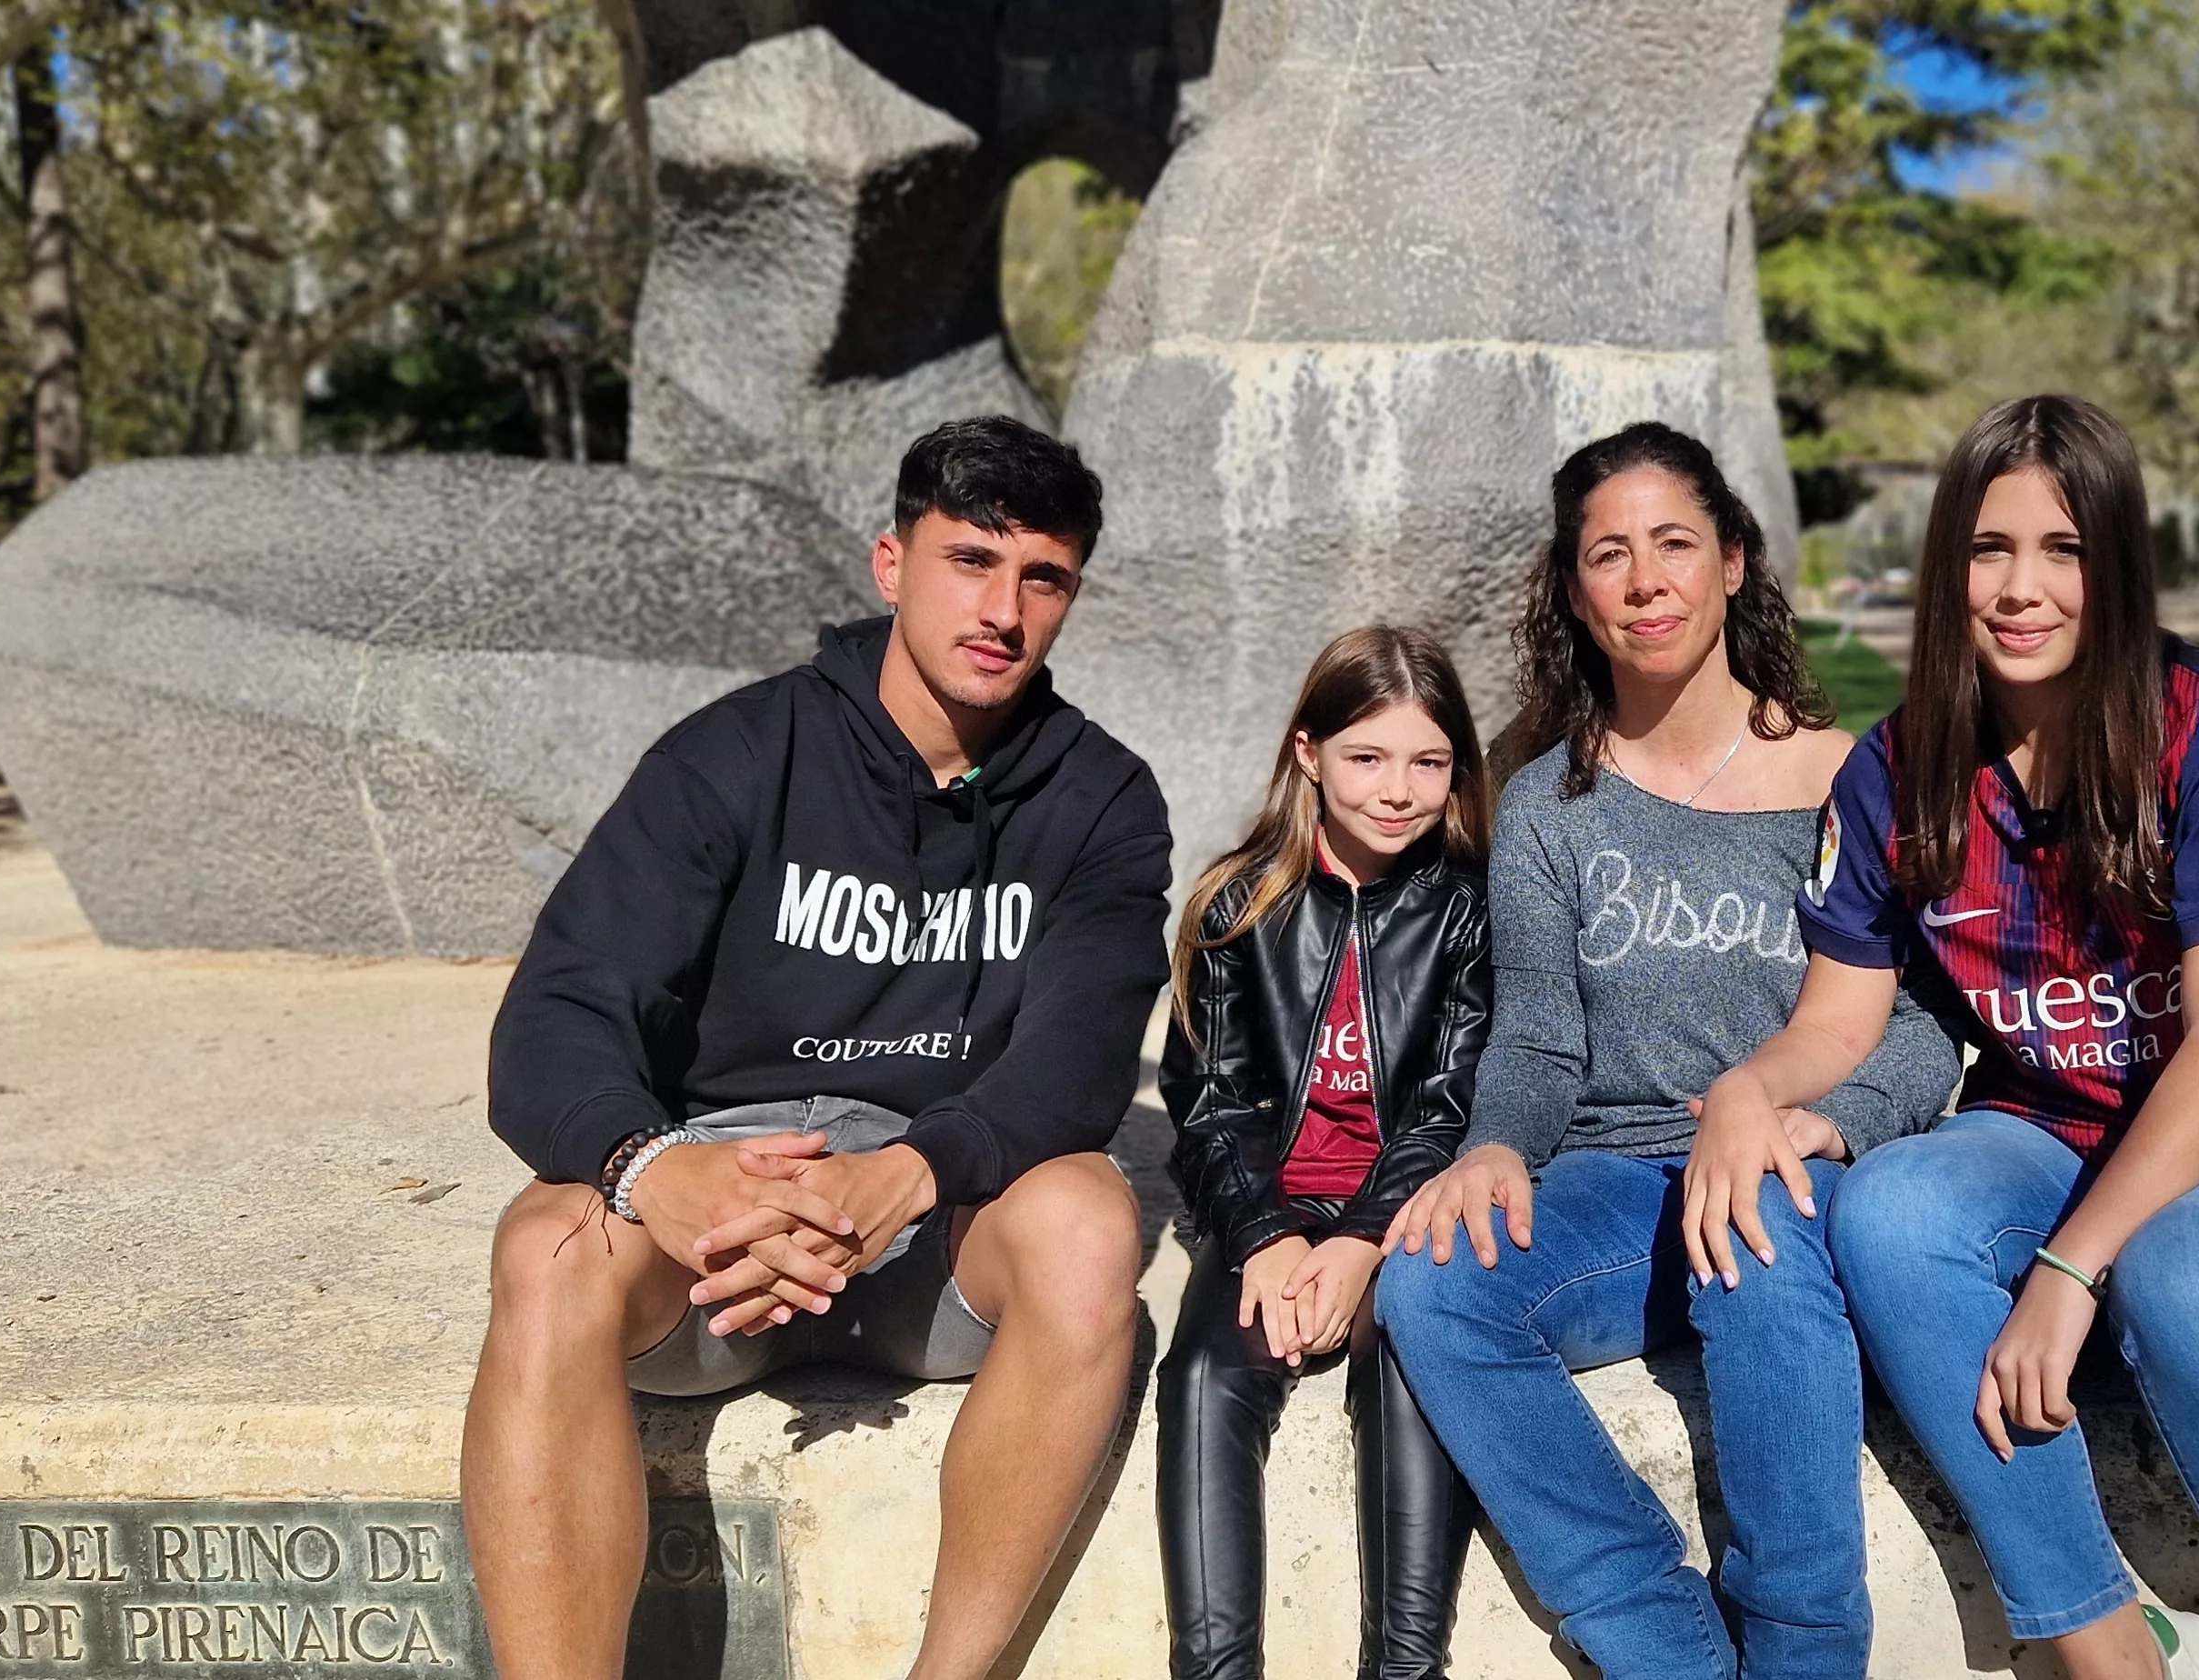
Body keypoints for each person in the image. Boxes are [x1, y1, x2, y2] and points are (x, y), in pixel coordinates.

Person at [463, 416, 1172, 1680]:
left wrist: (893, 1179)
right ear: (892, 564)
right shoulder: (735, 757)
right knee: (546, 1248)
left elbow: (1078, 1064)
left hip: (933, 1216)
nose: (1003, 608)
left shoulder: (1099, 797)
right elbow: (558, 1014)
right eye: (970, 562)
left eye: (1042, 577)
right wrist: (659, 1172)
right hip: (714, 1237)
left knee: (1088, 1225)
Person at [1702, 395, 2199, 1680]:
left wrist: (2068, 1273)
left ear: (2116, 563)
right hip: (2046, 1131)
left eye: (2062, 551)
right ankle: (2106, 1643)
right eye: (1988, 550)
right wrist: (1748, 1091)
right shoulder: (1897, 767)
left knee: (2184, 1276)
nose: (2022, 589)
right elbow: (1837, 1020)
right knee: (1894, 1213)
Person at [1373, 423, 1960, 1680]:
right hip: (1622, 1179)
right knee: (1431, 1283)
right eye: (1608, 555)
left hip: (1788, 1166)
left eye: (1675, 544)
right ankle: (1667, 1644)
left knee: (1757, 1231)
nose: (1645, 581)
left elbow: (1916, 1034)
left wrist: (1829, 1123)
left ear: (1734, 562)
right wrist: (1491, 1152)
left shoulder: (1849, 779)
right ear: (1576, 595)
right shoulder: (1546, 803)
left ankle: (1806, 1653)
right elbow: (1537, 1038)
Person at [1156, 625, 1492, 1680]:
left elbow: (1449, 1104)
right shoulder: (1235, 904)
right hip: (1272, 1210)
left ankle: (1404, 1668)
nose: (1397, 790)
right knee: (1205, 1375)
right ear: (1308, 753)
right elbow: (1207, 1101)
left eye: (1428, 762)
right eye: (1367, 757)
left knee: (1409, 1362)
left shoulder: (1468, 908)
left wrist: (1358, 1243)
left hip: (1406, 1213)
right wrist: (1259, 1238)